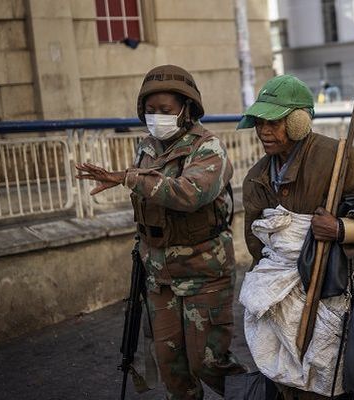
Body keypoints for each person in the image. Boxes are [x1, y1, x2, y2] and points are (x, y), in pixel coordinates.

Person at [75, 64, 245, 399]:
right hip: (159, 276)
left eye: (165, 111)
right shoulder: (148, 148)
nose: (156, 117)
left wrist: (128, 178)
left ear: (186, 109)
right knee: (173, 369)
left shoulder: (208, 149)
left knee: (209, 363)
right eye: (150, 111)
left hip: (203, 274)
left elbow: (188, 193)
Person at [237, 75, 354, 399]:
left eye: (273, 122)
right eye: (259, 122)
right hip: (281, 296)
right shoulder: (258, 176)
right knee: (285, 379)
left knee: (326, 381)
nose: (263, 131)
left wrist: (343, 229)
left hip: (331, 292)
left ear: (299, 121)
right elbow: (256, 242)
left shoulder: (339, 158)